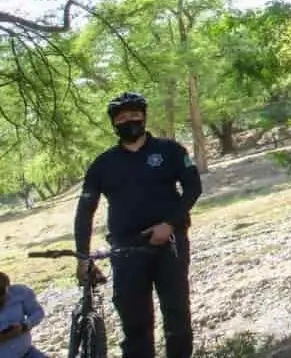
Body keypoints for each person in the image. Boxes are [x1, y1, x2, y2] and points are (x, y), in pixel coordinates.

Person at [74, 92, 202, 358]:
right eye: (122, 116)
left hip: (170, 243)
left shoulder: (171, 151)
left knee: (177, 313)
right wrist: (82, 257)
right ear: (114, 123)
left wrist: (169, 223)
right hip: (126, 250)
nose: (129, 120)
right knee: (135, 322)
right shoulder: (102, 164)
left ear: (144, 117)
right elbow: (85, 210)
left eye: (135, 114)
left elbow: (193, 188)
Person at [0, 272, 45, 358]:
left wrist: (24, 326)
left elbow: (38, 312)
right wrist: (1, 337)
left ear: (8, 291)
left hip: (27, 354)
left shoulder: (20, 293)